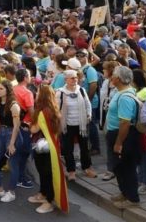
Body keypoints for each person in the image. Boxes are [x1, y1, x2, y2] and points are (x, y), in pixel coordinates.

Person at [29, 85, 69, 214]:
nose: (36, 94)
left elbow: (34, 129)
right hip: (52, 146)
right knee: (46, 173)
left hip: (43, 148)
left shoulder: (42, 112)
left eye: (38, 92)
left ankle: (49, 201)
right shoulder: (54, 109)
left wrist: (30, 123)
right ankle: (43, 194)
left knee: (46, 174)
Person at [107, 66, 142, 208]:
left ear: (119, 79)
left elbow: (125, 123)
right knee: (118, 167)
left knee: (127, 166)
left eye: (113, 75)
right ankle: (124, 192)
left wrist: (118, 143)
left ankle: (132, 198)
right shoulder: (120, 91)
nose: (111, 77)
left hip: (123, 136)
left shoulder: (125, 97)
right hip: (116, 133)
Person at [0, 80, 23, 203]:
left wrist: (12, 143)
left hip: (12, 134)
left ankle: (11, 192)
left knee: (13, 165)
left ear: (8, 90)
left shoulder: (14, 105)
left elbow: (17, 126)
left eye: (1, 88)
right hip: (2, 134)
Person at [56, 69, 96, 180]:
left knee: (84, 147)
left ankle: (87, 168)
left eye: (76, 77)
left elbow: (88, 105)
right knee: (68, 149)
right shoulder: (60, 92)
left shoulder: (81, 90)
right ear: (66, 80)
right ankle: (71, 171)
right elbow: (57, 109)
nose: (75, 80)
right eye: (72, 78)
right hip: (67, 125)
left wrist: (89, 115)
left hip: (81, 124)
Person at [13, 69, 35, 189]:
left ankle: (16, 176)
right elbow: (31, 111)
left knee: (16, 152)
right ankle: (20, 178)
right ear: (25, 77)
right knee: (24, 152)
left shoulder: (13, 89)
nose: (31, 78)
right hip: (24, 126)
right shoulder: (27, 93)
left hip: (13, 124)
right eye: (30, 76)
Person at [133, 69, 146, 195]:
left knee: (144, 156)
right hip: (137, 127)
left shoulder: (145, 92)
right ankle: (141, 180)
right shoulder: (136, 91)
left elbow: (145, 115)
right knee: (139, 155)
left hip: (143, 129)